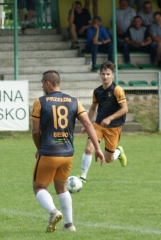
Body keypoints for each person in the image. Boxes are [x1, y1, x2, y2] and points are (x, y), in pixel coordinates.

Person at [31, 70, 105, 233]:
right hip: (67, 154)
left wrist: (39, 149)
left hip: (49, 152)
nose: (42, 86)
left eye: (42, 83)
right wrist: (98, 148)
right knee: (61, 188)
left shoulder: (40, 102)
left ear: (48, 83)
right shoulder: (74, 101)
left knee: (39, 187)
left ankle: (53, 211)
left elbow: (35, 132)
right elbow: (87, 124)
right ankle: (69, 224)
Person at [79, 61, 128, 183]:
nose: (105, 76)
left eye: (108, 74)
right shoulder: (97, 91)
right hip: (98, 125)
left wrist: (110, 118)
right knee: (89, 148)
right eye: (103, 74)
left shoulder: (117, 90)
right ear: (100, 74)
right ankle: (83, 177)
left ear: (113, 75)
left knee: (108, 159)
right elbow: (92, 108)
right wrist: (87, 123)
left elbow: (125, 109)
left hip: (114, 127)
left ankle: (119, 151)